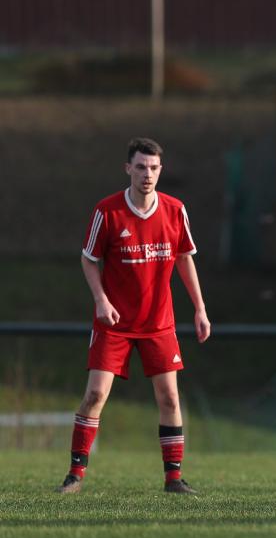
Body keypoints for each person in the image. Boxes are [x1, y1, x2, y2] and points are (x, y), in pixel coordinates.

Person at [55, 137, 211, 495]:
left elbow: (185, 257)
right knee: (95, 394)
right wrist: (101, 300)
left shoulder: (175, 210)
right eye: (140, 167)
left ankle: (174, 479)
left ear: (161, 170)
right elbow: (88, 259)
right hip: (115, 323)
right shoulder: (107, 211)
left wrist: (200, 308)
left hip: (159, 322)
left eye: (154, 168)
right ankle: (75, 475)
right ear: (128, 169)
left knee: (170, 398)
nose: (147, 174)